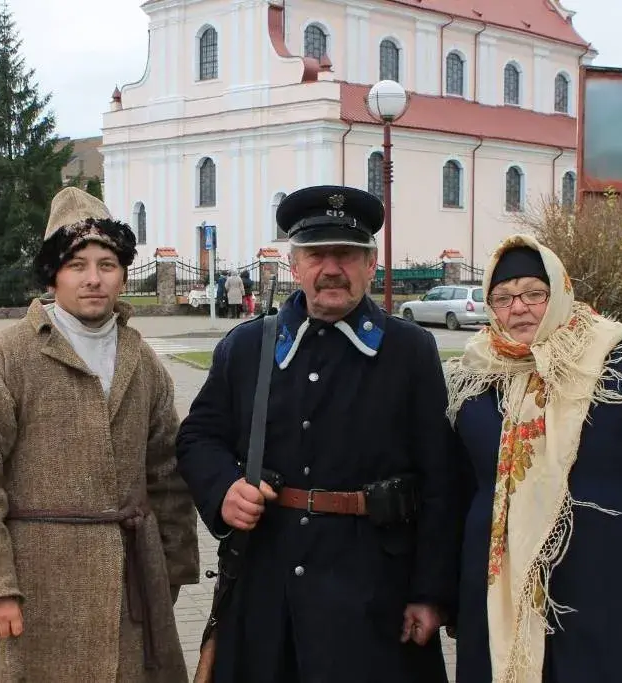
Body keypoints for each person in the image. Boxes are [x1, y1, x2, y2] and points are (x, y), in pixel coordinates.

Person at [175, 184, 463, 682]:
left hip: (377, 595)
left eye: (347, 255)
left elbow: (442, 480)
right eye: (316, 255)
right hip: (269, 589)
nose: (332, 268)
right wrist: (224, 489)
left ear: (371, 265)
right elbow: (198, 436)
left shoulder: (409, 352)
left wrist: (429, 593)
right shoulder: (247, 347)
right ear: (294, 265)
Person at [0, 186, 200, 682]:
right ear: (53, 274)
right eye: (76, 264)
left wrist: (169, 566)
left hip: (130, 585)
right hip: (34, 586)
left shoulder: (141, 361)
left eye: (107, 264)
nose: (93, 279)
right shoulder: (8, 356)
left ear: (123, 272)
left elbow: (168, 473)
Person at [445, 234, 622, 683]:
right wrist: (448, 594)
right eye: (504, 298)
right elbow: (454, 492)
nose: (519, 307)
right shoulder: (473, 378)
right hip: (499, 591)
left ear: (560, 290)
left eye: (534, 293)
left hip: (609, 589)